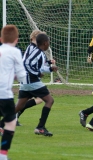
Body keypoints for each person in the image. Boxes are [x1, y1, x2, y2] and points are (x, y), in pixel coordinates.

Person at [15, 33, 58, 137]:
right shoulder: (37, 51)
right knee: (49, 100)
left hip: (26, 82)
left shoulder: (40, 52)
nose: (49, 44)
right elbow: (26, 63)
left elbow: (39, 67)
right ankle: (40, 127)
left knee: (19, 106)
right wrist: (37, 73)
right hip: (32, 81)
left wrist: (50, 69)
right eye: (48, 42)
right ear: (45, 43)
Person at [0, 25, 26, 160]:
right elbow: (22, 75)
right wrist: (17, 76)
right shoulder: (15, 51)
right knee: (11, 122)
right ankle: (3, 155)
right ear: (16, 40)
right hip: (4, 94)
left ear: (1, 39)